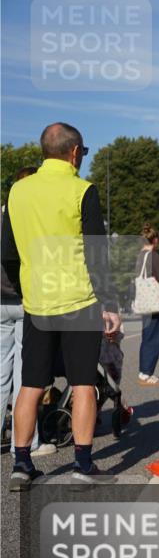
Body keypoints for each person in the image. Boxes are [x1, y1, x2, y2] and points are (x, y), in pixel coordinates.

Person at [2, 122, 123, 490]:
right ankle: (82, 465)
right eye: (83, 154)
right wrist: (110, 303)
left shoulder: (18, 191)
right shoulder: (81, 190)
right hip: (78, 300)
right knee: (83, 383)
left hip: (37, 302)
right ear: (74, 152)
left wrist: (29, 289)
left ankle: (21, 465)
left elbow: (7, 253)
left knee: (32, 384)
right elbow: (97, 253)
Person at [2, 166, 56, 458]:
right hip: (25, 299)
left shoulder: (3, 212)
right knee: (29, 375)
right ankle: (27, 444)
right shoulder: (32, 216)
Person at [135, 223, 159, 385]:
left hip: (144, 302)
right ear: (155, 240)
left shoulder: (139, 257)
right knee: (155, 338)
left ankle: (145, 371)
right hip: (155, 304)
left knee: (146, 337)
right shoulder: (154, 256)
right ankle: (146, 373)